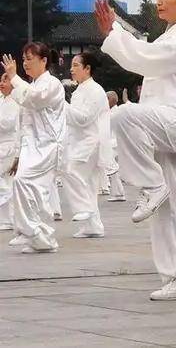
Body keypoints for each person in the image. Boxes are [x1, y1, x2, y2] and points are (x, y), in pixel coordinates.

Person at [95, 0, 176, 300]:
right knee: (170, 208)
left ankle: (151, 184)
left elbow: (146, 60)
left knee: (123, 115)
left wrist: (114, 32)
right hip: (165, 124)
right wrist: (116, 32)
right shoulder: (170, 36)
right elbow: (146, 54)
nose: (159, 2)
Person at [1, 44, 66, 253]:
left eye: (29, 58)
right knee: (33, 190)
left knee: (27, 184)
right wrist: (19, 152)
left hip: (47, 146)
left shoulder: (52, 84)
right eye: (24, 59)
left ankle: (34, 232)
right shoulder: (33, 84)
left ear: (43, 60)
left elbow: (34, 99)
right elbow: (24, 116)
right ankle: (37, 236)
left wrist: (14, 78)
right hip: (33, 147)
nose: (25, 63)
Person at [62, 51, 112, 239]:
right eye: (72, 65)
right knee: (89, 184)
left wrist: (61, 105)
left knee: (71, 171)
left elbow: (84, 119)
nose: (71, 69)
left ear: (87, 68)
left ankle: (84, 208)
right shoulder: (80, 90)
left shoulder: (95, 90)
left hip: (91, 142)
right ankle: (93, 226)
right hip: (80, 141)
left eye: (76, 65)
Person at [0, 85, 19, 230]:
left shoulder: (15, 102)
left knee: (7, 180)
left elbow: (9, 124)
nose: (1, 83)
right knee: (6, 181)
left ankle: (9, 219)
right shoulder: (2, 100)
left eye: (5, 80)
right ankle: (6, 219)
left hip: (9, 145)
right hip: (2, 143)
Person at [105, 91, 126, 202]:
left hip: (113, 143)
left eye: (106, 99)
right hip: (113, 143)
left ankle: (118, 193)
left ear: (111, 100)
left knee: (112, 168)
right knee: (112, 168)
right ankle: (118, 193)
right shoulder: (112, 112)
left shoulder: (114, 113)